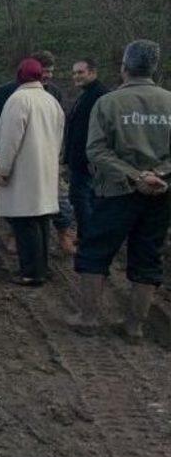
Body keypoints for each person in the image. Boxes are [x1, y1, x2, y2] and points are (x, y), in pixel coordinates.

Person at [69, 40, 171, 340]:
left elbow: (96, 151)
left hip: (115, 193)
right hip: (161, 194)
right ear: (155, 69)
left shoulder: (109, 103)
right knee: (148, 257)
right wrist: (157, 174)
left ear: (124, 68)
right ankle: (134, 327)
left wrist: (135, 175)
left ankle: (88, 318)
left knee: (95, 252)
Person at [0, 49, 76, 254]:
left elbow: (61, 124)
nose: (49, 75)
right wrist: (8, 130)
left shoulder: (54, 93)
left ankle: (63, 233)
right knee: (16, 196)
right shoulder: (8, 92)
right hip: (15, 152)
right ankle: (14, 233)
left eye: (52, 71)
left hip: (45, 154)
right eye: (46, 70)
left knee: (57, 195)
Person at [0, 58, 65, 286]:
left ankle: (31, 273)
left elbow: (9, 140)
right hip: (46, 168)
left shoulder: (18, 99)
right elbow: (59, 135)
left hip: (24, 172)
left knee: (25, 224)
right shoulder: (51, 100)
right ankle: (43, 268)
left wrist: (2, 169)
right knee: (42, 221)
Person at [64, 58, 108, 241]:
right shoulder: (85, 95)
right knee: (83, 199)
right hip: (80, 159)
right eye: (74, 73)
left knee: (83, 200)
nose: (76, 76)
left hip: (88, 161)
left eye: (80, 72)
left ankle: (89, 239)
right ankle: (87, 236)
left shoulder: (100, 96)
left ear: (92, 72)